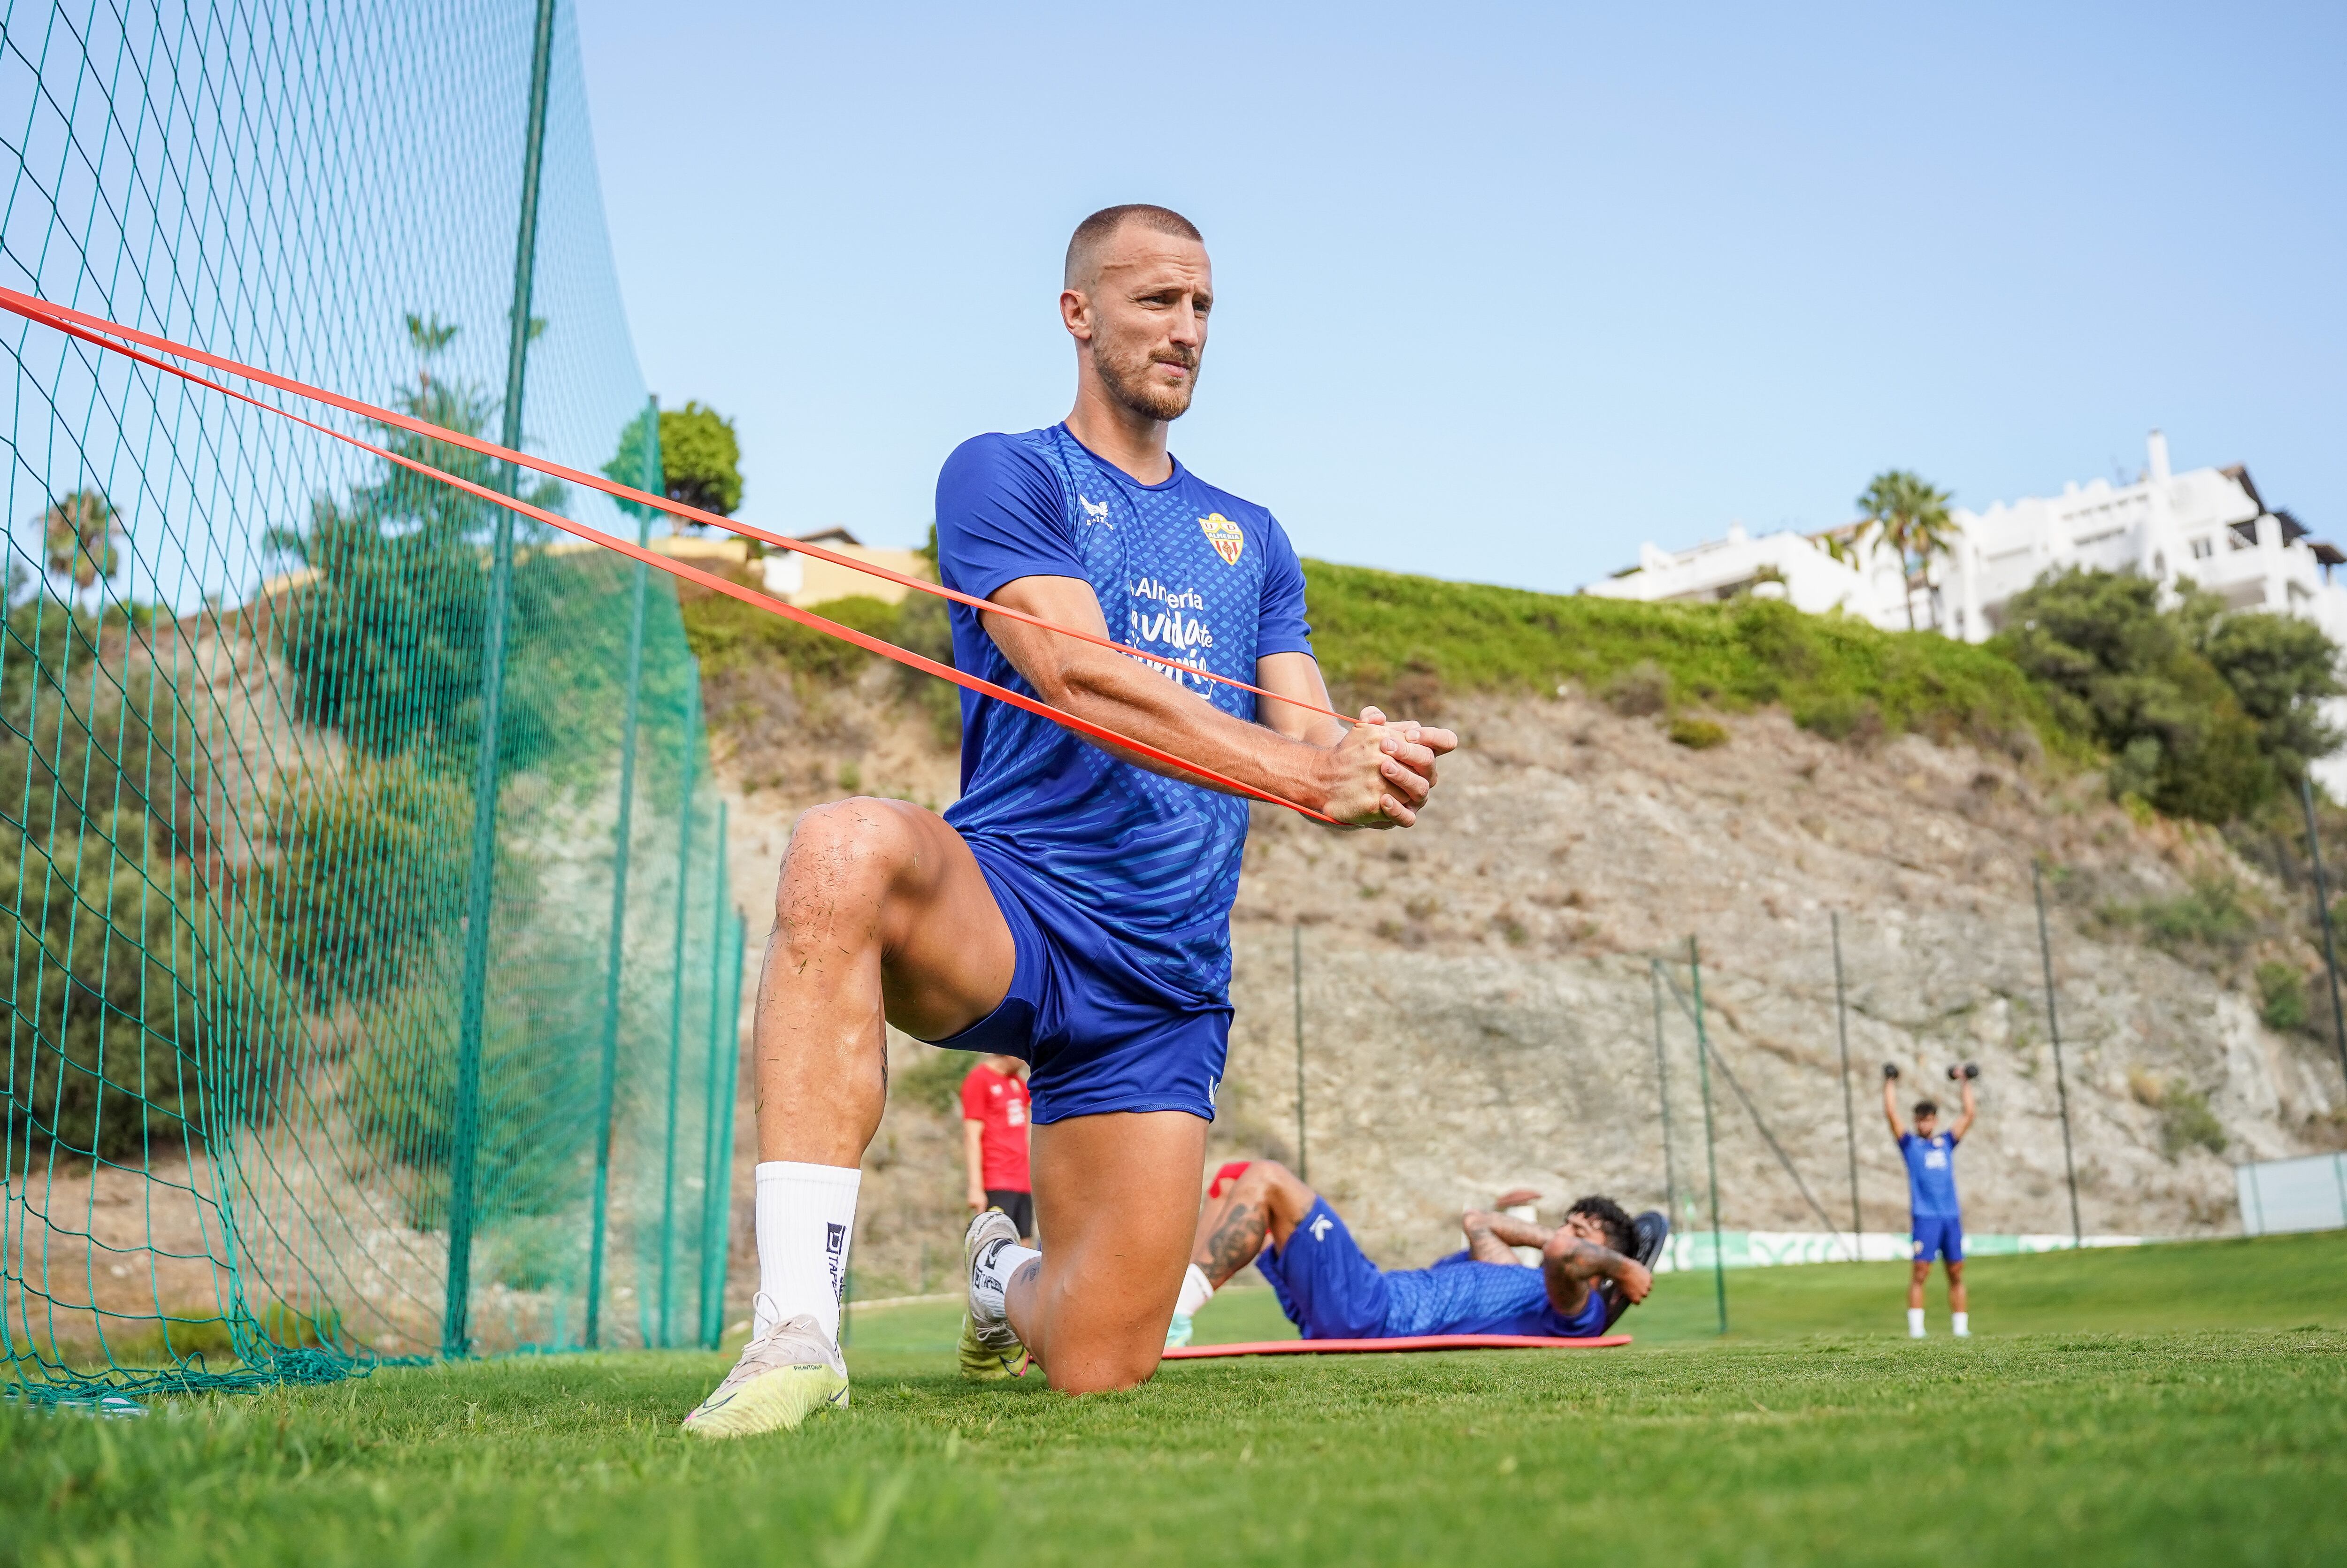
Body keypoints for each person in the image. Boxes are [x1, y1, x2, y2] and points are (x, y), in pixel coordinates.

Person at [682, 204, 1455, 1438]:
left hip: (1162, 981)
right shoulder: (1006, 469)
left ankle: (1000, 1276)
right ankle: (796, 1329)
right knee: (840, 845)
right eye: (1157, 300)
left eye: (1203, 306)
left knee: (1099, 1361)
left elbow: (1303, 734)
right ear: (1077, 313)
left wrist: (1368, 759)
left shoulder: (1252, 537)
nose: (1186, 328)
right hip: (1015, 910)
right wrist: (1309, 777)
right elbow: (1075, 671)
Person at [1145, 1161, 1652, 1348]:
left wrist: (1626, 1267)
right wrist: (1554, 1236)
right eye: (1567, 1220)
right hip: (1366, 1304)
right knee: (1231, 1178)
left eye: (1585, 1232)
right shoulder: (1513, 1276)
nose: (1564, 1232)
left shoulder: (1574, 1313)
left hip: (1375, 1314)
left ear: (1601, 1268)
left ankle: (1169, 1319)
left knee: (1269, 1179)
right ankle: (1163, 1311)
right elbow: (1479, 1220)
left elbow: (1564, 1253)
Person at [1883, 1063, 1977, 1338]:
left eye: (1929, 1118)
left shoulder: (1946, 1142)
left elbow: (1969, 1114)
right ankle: (1917, 1331)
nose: (1925, 1122)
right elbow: (1891, 1113)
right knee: (1921, 1272)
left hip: (1950, 1216)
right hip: (1925, 1216)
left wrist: (1964, 1081)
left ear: (1935, 1120)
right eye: (1920, 1118)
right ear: (1916, 1121)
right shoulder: (1910, 1145)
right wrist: (1890, 1082)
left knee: (1956, 1271)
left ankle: (1961, 1329)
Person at [961, 1054, 1033, 1241]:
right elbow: (972, 1135)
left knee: (1027, 1254)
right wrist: (976, 1188)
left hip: (1024, 1183)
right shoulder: (980, 1079)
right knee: (998, 1250)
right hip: (997, 1181)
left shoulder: (1018, 1083)